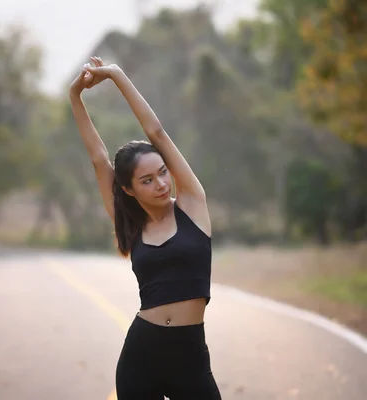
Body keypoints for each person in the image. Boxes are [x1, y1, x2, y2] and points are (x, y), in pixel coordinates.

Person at [69, 56, 222, 400]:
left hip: (190, 360)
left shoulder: (193, 206)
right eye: (147, 180)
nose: (162, 184)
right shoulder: (130, 225)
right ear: (128, 189)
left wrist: (118, 75)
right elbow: (98, 158)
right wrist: (75, 96)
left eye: (163, 172)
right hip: (142, 357)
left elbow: (156, 132)